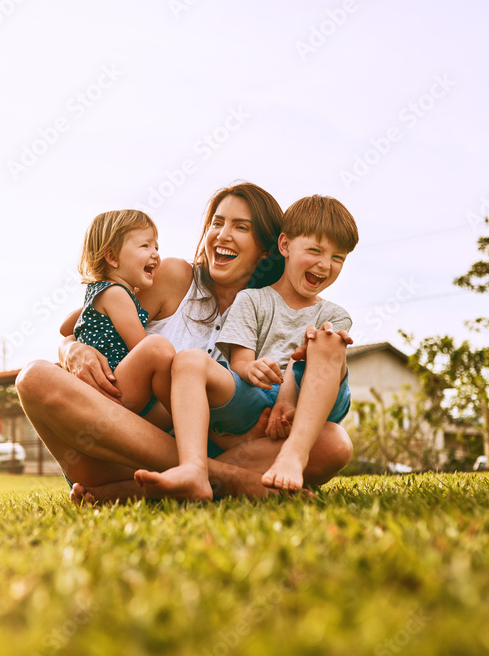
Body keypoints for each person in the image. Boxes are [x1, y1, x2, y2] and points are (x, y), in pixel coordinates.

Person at [15, 183, 354, 503]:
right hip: (115, 448)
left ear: (266, 249)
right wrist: (74, 350)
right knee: (34, 377)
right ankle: (225, 478)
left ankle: (147, 487)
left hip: (221, 450)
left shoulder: (275, 311)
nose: (222, 235)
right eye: (217, 222)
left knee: (333, 443)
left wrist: (285, 409)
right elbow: (88, 318)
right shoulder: (174, 277)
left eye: (240, 227)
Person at [134, 195, 358, 500]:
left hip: (311, 401)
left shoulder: (334, 315)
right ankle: (193, 469)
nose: (324, 264)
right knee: (189, 360)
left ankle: (293, 455)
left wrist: (289, 399)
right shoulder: (251, 300)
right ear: (285, 246)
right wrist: (250, 368)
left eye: (338, 258)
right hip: (257, 398)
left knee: (326, 342)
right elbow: (239, 361)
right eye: (315, 251)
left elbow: (312, 365)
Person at [72, 209, 174, 427]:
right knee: (157, 347)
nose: (155, 253)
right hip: (116, 388)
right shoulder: (117, 294)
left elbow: (66, 328)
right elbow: (141, 347)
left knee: (175, 417)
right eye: (145, 246)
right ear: (112, 257)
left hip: (112, 390)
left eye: (156, 246)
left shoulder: (98, 292)